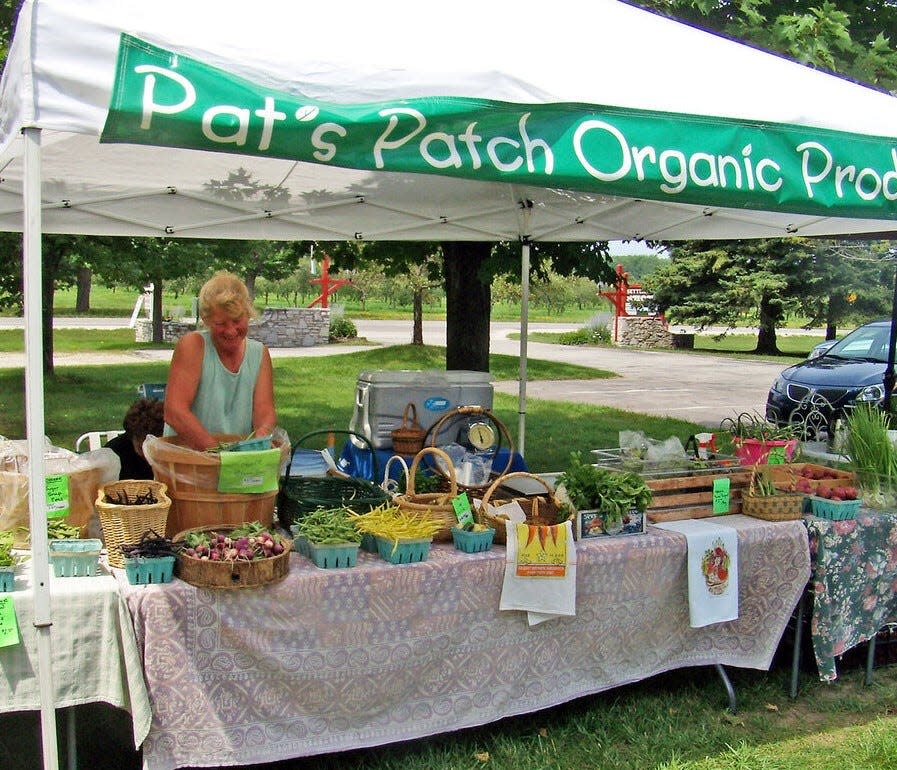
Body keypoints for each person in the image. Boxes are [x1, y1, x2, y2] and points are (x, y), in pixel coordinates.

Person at [163, 271, 277, 451]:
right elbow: (175, 412)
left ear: (248, 314)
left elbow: (265, 415)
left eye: (237, 320)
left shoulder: (259, 353)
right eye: (221, 323)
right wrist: (218, 453)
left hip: (235, 463)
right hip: (189, 463)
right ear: (206, 320)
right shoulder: (193, 346)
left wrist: (261, 438)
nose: (231, 331)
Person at [106, 397, 165, 479]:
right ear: (131, 437)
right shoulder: (115, 453)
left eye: (153, 448)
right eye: (141, 448)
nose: (147, 455)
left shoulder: (171, 452)